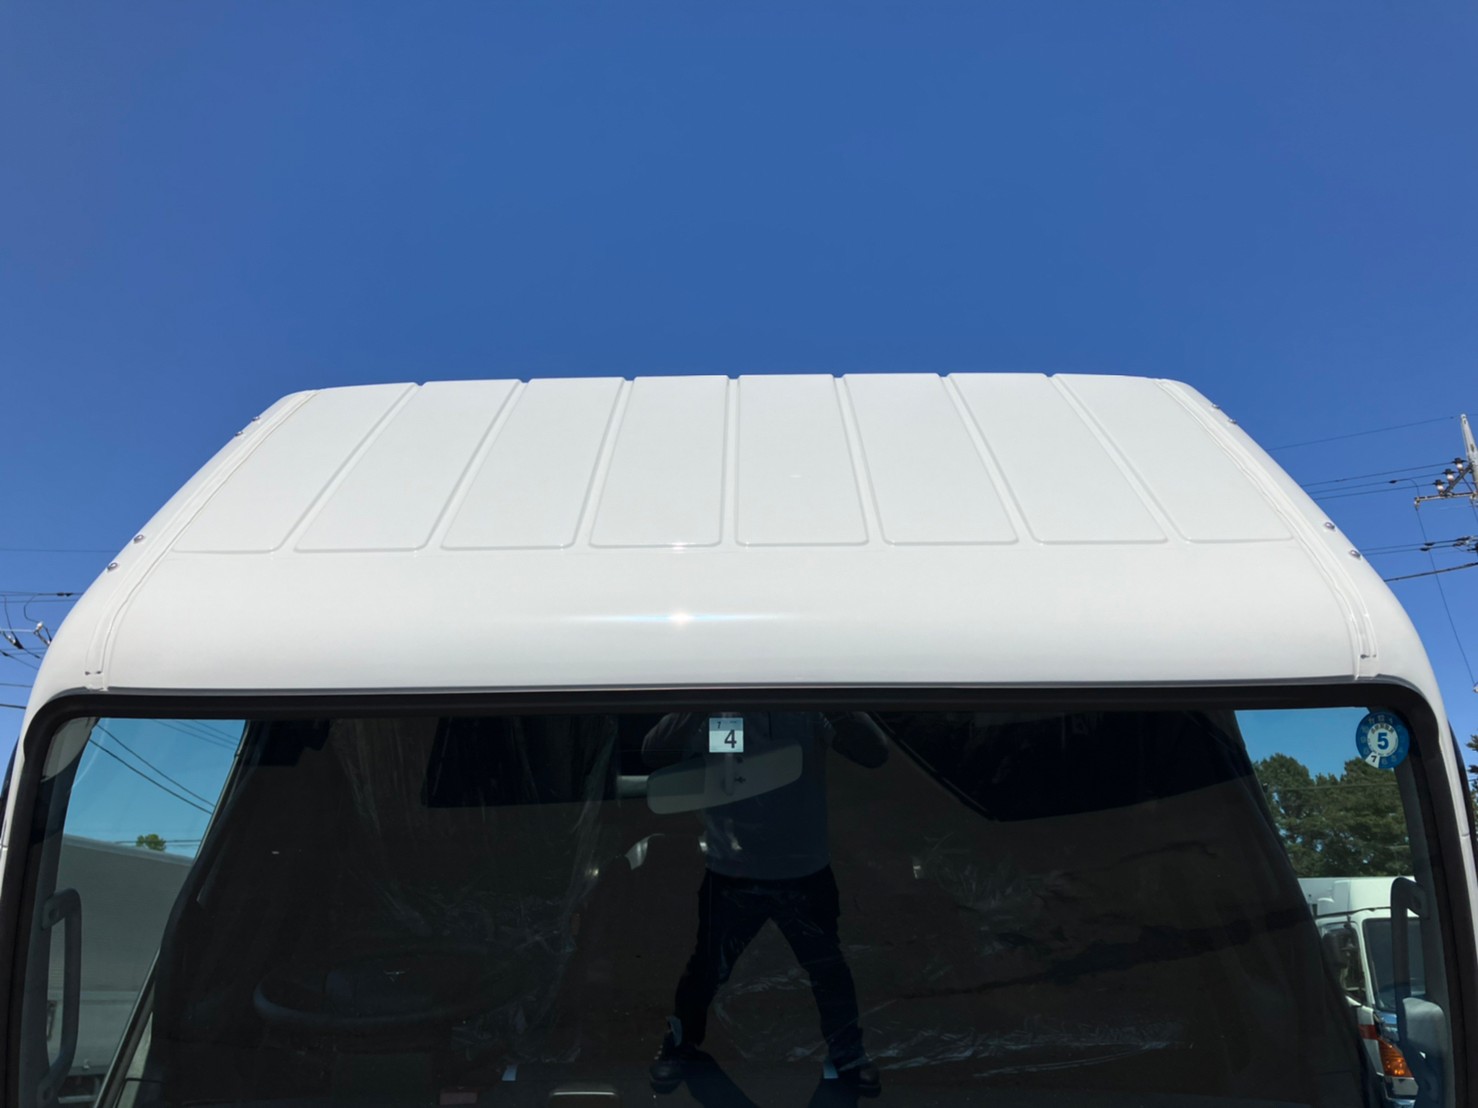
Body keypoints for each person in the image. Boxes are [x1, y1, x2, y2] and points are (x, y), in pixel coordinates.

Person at [643, 710, 888, 1095]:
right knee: (706, 966)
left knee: (827, 967)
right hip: (733, 870)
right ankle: (679, 1044)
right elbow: (654, 752)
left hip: (802, 869)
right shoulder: (716, 707)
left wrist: (827, 696)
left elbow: (874, 752)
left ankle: (848, 1054)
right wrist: (702, 699)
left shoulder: (806, 708)